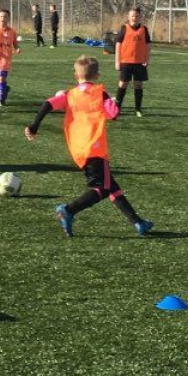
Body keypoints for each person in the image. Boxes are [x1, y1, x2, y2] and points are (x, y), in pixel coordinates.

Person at [24, 53, 152, 238]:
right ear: (97, 76)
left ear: (76, 76)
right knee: (102, 188)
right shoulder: (100, 93)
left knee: (111, 185)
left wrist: (34, 126)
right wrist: (113, 101)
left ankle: (138, 223)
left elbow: (47, 105)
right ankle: (68, 210)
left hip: (78, 149)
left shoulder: (70, 94)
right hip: (96, 147)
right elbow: (114, 114)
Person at [114, 5, 151, 117]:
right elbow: (118, 44)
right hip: (126, 61)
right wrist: (117, 61)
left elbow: (148, 45)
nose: (134, 18)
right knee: (123, 84)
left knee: (138, 85)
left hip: (139, 62)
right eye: (132, 16)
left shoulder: (144, 29)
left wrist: (147, 59)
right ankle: (117, 108)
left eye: (136, 16)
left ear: (140, 17)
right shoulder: (124, 28)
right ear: (128, 16)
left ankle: (138, 109)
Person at [0, 9, 20, 106]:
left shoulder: (12, 31)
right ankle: (5, 88)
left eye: (5, 16)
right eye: (1, 16)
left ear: (8, 18)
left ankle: (2, 100)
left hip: (5, 59)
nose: (3, 18)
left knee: (1, 79)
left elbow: (15, 44)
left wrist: (18, 49)